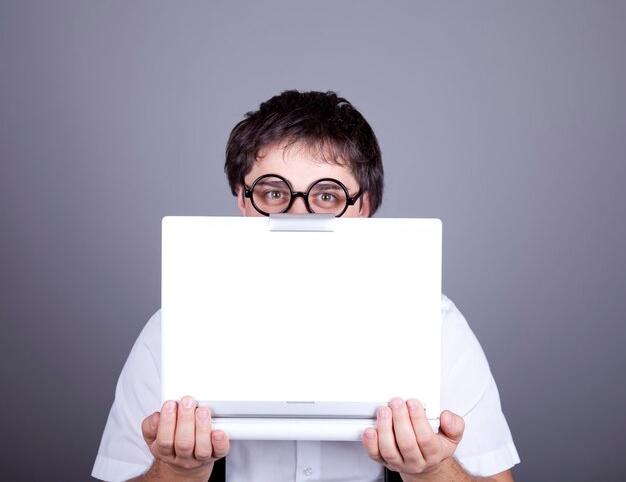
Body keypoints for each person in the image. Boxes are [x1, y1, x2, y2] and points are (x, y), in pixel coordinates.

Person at [92, 90, 520, 482]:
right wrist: (179, 471)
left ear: (363, 206)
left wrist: (431, 471)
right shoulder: (173, 330)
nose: (299, 217)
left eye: (328, 196)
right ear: (242, 200)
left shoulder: (435, 326)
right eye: (274, 193)